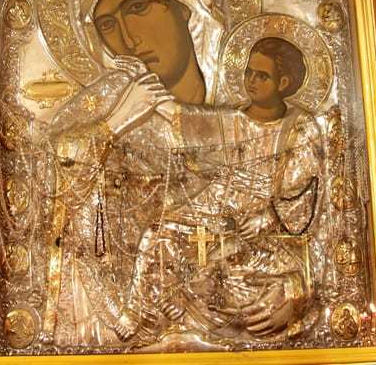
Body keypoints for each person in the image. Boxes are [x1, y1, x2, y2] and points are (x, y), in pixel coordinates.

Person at [112, 36, 322, 343]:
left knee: (234, 269)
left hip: (265, 223)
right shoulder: (231, 119)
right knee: (157, 232)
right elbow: (178, 115)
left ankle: (188, 307)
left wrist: (270, 217)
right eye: (248, 72)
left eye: (262, 76)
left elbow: (303, 189)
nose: (251, 81)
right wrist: (144, 79)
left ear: (284, 82)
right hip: (218, 206)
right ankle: (138, 311)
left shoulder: (300, 128)